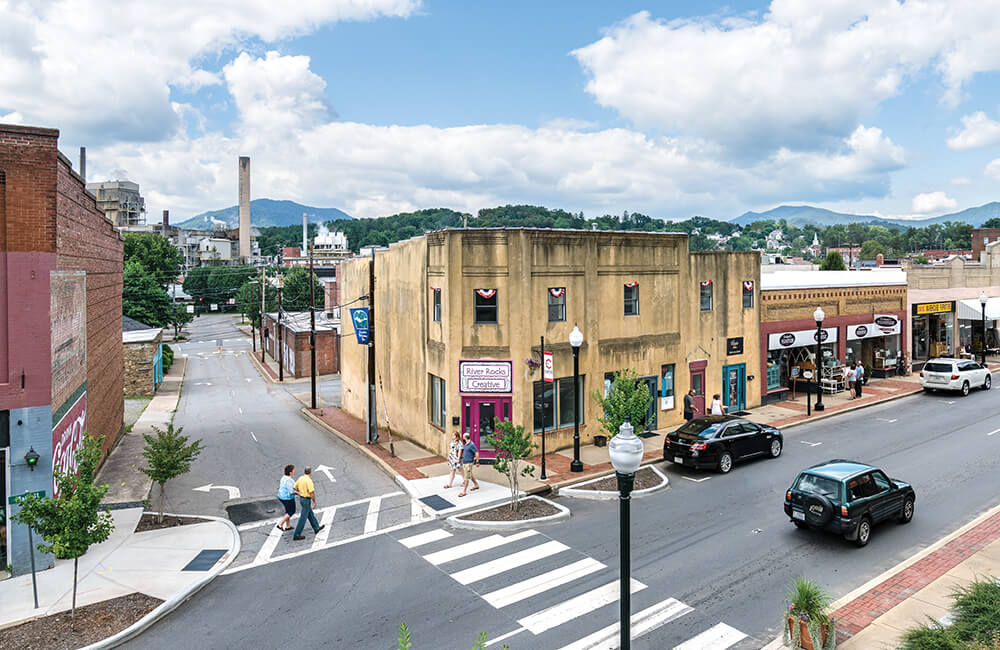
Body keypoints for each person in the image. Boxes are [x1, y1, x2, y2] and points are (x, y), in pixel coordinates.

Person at [292, 467, 326, 540]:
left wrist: (301, 491)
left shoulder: (300, 478)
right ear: (310, 472)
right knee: (303, 518)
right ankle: (296, 534)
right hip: (306, 500)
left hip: (301, 498)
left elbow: (294, 488)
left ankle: (316, 527)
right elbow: (311, 492)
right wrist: (314, 501)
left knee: (310, 514)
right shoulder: (309, 481)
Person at [457, 433, 480, 497]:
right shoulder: (466, 444)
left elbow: (476, 452)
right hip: (465, 462)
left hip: (469, 463)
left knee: (466, 477)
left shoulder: (471, 444)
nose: (462, 437)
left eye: (463, 437)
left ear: (465, 437)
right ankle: (476, 484)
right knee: (469, 474)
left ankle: (464, 491)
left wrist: (477, 462)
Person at [276, 464, 296, 531]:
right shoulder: (289, 480)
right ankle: (280, 524)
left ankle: (288, 526)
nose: (294, 471)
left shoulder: (284, 477)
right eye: (293, 470)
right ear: (290, 472)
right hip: (287, 498)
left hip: (281, 496)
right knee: (292, 511)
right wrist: (300, 494)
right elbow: (292, 491)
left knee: (288, 511)